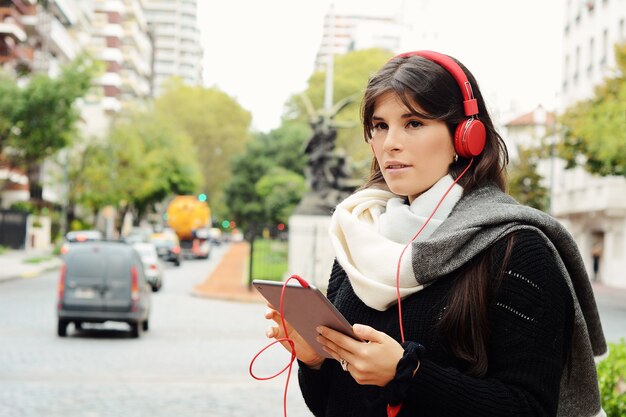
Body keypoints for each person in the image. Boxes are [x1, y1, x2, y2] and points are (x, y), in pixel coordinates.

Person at [263, 50, 607, 417]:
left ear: (465, 136)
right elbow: (335, 404)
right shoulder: (360, 237)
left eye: (413, 123)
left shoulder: (516, 249)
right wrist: (314, 361)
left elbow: (530, 408)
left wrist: (410, 375)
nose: (390, 143)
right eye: (380, 126)